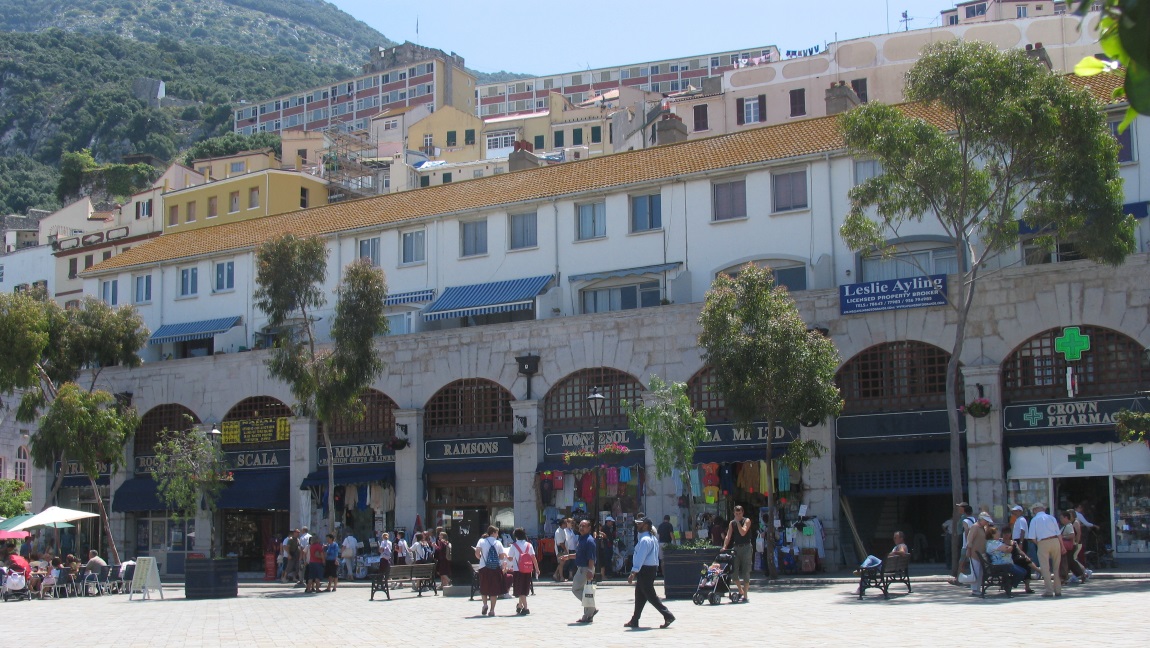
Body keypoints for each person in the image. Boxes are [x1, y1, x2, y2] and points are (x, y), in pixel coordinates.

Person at [624, 516, 675, 629]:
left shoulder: (645, 540)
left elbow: (640, 557)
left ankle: (668, 615)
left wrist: (633, 572)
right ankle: (634, 620)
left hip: (645, 569)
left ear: (646, 525)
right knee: (639, 595)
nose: (637, 525)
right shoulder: (651, 538)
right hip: (651, 568)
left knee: (651, 596)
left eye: (640, 524)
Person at [720, 504, 753, 603]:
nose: (738, 515)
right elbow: (728, 536)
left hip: (746, 547)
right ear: (734, 513)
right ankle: (740, 590)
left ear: (742, 513)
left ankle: (745, 595)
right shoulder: (732, 523)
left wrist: (738, 522)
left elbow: (743, 532)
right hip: (736, 548)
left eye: (739, 513)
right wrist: (724, 546)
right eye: (736, 513)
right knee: (733, 572)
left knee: (746, 572)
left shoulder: (746, 521)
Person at [1029, 503, 1062, 597]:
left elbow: (1032, 537)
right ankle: (1058, 590)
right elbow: (1058, 533)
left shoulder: (1034, 520)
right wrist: (1062, 546)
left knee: (1045, 568)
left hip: (1042, 542)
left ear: (1035, 510)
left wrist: (1039, 544)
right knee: (1056, 567)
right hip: (1055, 540)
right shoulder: (1052, 518)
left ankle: (1049, 590)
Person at [474, 525, 506, 617]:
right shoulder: (498, 543)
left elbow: (477, 552)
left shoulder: (482, 541)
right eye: (497, 533)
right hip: (495, 568)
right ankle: (492, 610)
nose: (497, 535)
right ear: (493, 533)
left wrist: (481, 558)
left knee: (484, 586)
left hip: (484, 567)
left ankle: (485, 604)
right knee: (494, 589)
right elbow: (502, 556)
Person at [571, 518, 599, 624]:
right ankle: (588, 616)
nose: (581, 528)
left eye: (584, 526)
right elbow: (579, 554)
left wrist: (590, 571)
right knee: (585, 590)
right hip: (581, 567)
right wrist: (568, 556)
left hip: (585, 568)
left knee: (576, 589)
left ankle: (591, 608)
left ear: (589, 528)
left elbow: (591, 558)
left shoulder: (589, 541)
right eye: (580, 526)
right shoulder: (581, 538)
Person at [508, 527, 538, 615]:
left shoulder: (513, 546)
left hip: (518, 570)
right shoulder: (529, 545)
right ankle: (519, 605)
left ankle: (525, 607)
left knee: (520, 590)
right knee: (524, 588)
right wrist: (537, 568)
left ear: (515, 536)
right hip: (528, 569)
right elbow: (533, 557)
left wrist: (506, 556)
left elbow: (510, 558)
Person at [965, 513, 991, 596]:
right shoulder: (975, 527)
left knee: (980, 572)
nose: (987, 522)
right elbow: (970, 539)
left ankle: (978, 588)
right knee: (975, 572)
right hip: (974, 553)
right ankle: (974, 589)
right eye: (986, 521)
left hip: (981, 554)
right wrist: (969, 550)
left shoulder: (982, 528)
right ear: (982, 519)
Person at [1059, 510, 1088, 583]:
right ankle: (1080, 575)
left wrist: (1062, 537)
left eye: (1062, 518)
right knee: (1070, 562)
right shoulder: (1066, 526)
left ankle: (1064, 578)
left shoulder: (1069, 526)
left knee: (1067, 562)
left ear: (1066, 518)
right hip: (1069, 547)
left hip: (1069, 547)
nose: (1061, 520)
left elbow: (1072, 535)